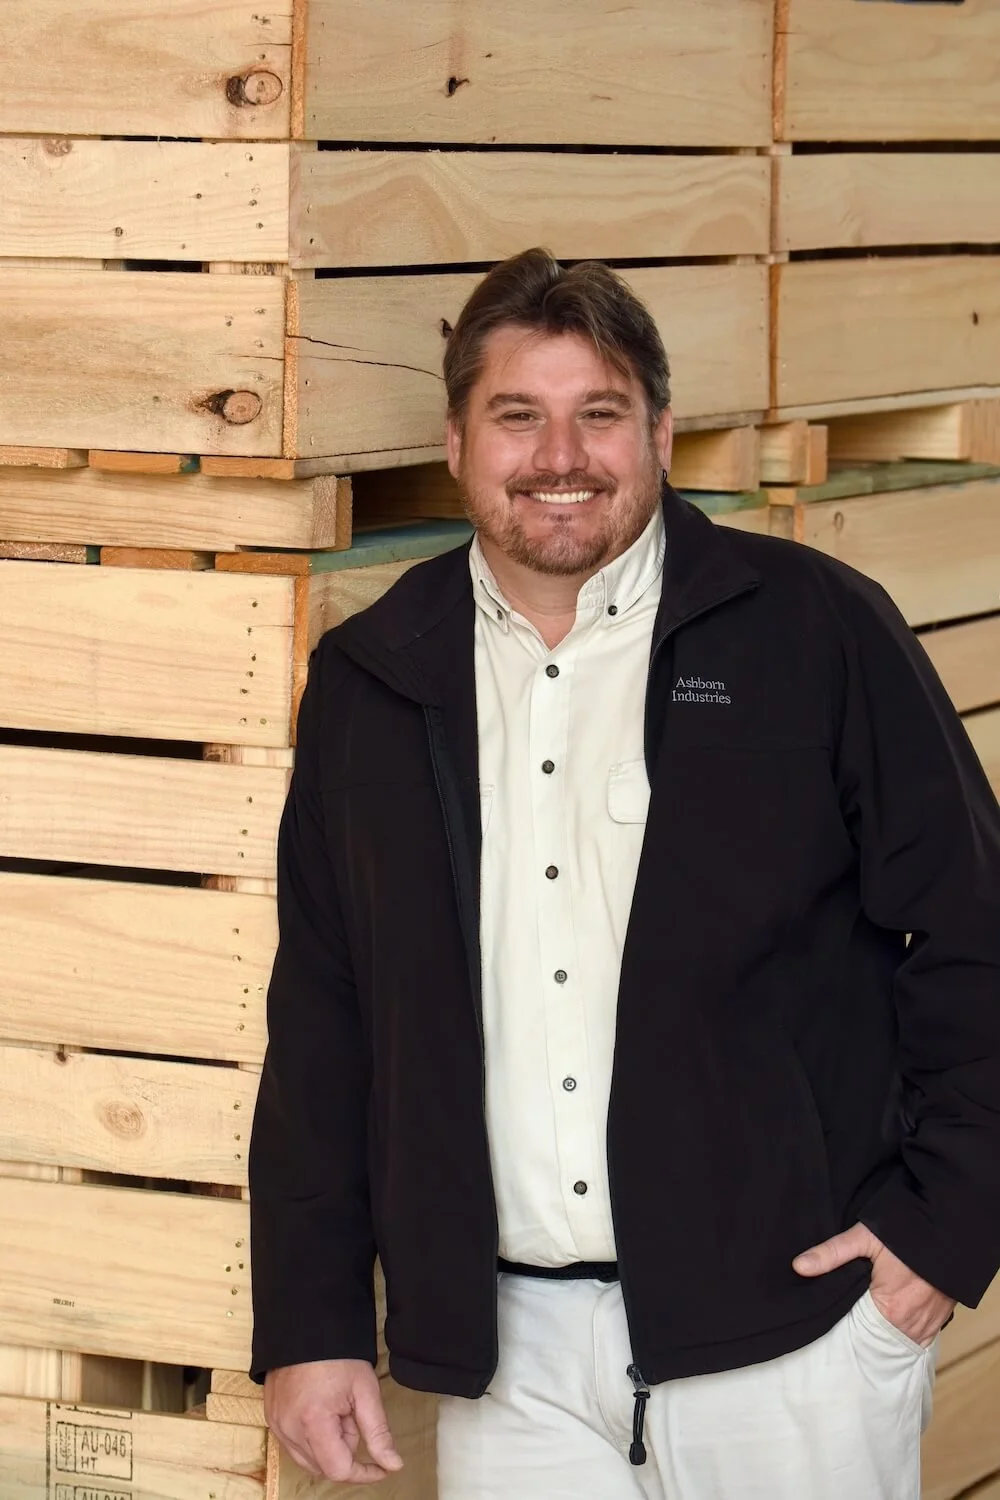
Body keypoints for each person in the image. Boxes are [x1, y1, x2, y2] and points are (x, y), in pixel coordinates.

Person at [248, 248, 1000, 1499]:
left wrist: (945, 1225)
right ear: (454, 438)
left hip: (794, 1338)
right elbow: (323, 1018)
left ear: (657, 430)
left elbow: (974, 931)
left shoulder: (814, 630)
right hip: (512, 1360)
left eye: (598, 414)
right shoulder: (377, 678)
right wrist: (311, 1320)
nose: (560, 455)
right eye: (518, 416)